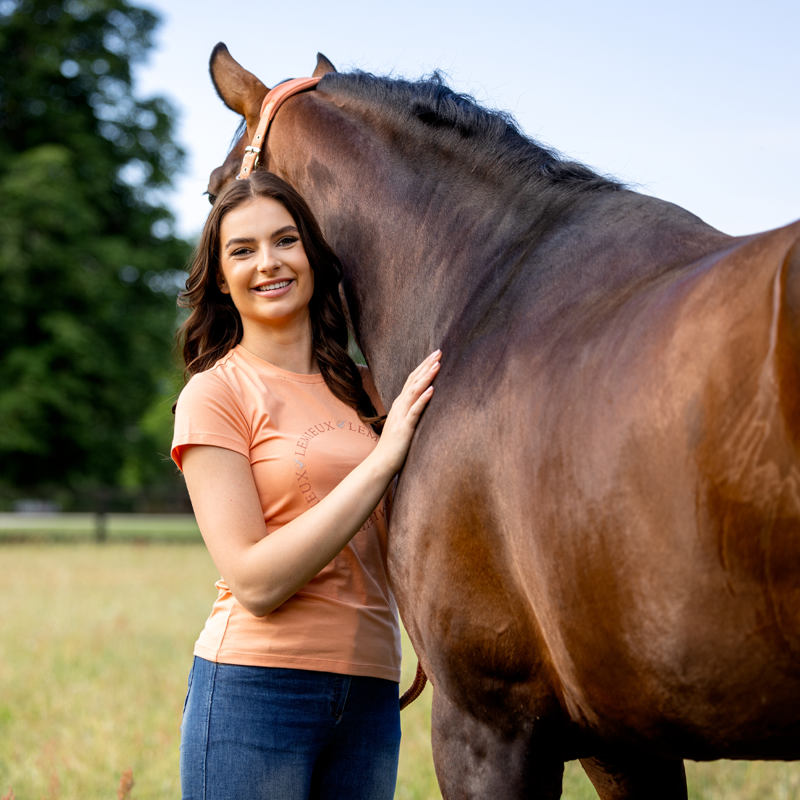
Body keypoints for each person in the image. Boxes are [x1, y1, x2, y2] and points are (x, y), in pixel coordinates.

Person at [171, 170, 440, 800]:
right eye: (242, 249)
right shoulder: (216, 394)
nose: (268, 262)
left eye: (285, 240)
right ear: (218, 276)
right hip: (255, 689)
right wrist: (381, 462)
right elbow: (255, 582)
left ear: (312, 256)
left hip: (371, 688)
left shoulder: (376, 391)